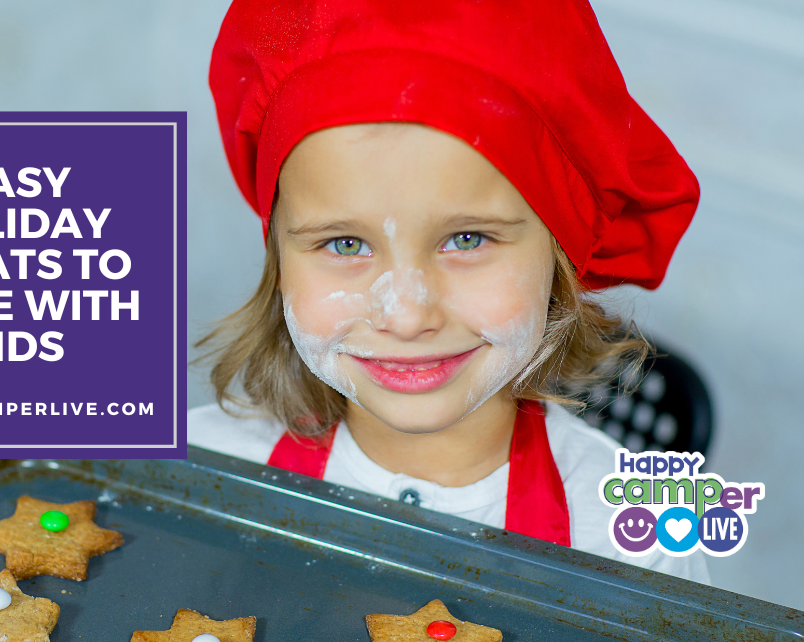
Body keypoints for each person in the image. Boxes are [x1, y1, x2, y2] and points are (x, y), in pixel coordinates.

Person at [189, 0, 709, 582]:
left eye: (466, 238)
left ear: (560, 252)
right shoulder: (191, 473)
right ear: (280, 264)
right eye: (345, 245)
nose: (407, 317)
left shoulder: (636, 539)